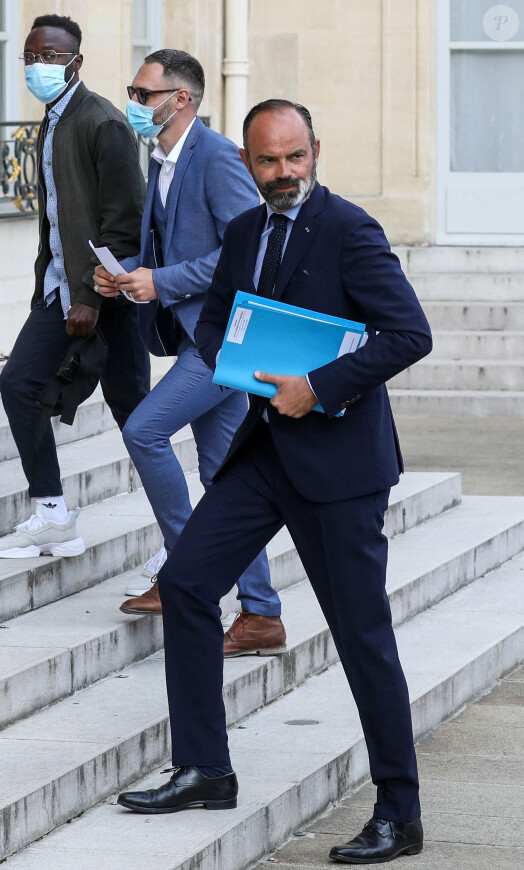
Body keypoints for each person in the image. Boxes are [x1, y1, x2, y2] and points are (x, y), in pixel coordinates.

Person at [116, 100, 433, 866]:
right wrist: (239, 362)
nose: (284, 173)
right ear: (249, 163)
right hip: (263, 453)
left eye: (295, 158)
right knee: (188, 585)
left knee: (362, 636)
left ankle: (400, 811)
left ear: (315, 151)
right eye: (269, 161)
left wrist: (318, 385)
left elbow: (409, 334)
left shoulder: (351, 228)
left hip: (341, 466)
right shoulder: (247, 232)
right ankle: (204, 769)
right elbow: (217, 317)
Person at [94, 50, 285, 655]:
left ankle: (186, 572)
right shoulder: (163, 158)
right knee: (223, 475)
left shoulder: (218, 157)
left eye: (142, 93)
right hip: (194, 336)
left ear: (181, 100)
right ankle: (261, 615)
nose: (133, 102)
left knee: (145, 430)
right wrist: (126, 273)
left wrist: (163, 281)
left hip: (222, 340)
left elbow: (246, 251)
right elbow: (168, 246)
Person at [0, 14, 150, 559]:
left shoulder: (102, 122)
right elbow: (58, 217)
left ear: (76, 61)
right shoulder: (52, 120)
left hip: (106, 296)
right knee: (19, 384)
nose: (39, 65)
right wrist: (54, 289)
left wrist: (89, 297)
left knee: (135, 415)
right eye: (31, 56)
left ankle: (182, 538)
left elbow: (124, 220)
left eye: (51, 56)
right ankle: (53, 514)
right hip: (60, 289)